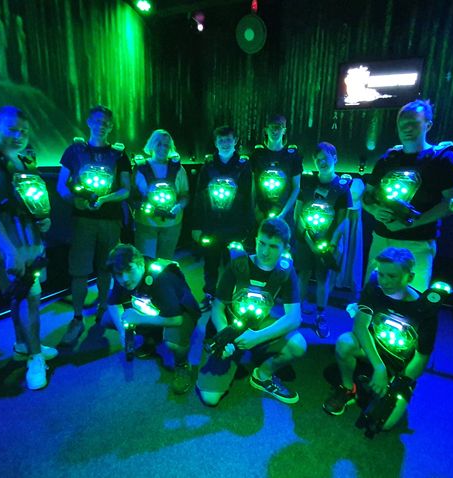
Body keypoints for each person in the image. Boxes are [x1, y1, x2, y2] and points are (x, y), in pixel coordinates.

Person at [0, 106, 57, 390]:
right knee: (28, 298)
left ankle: (23, 344)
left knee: (23, 297)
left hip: (31, 241)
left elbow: (34, 200)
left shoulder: (24, 161)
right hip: (11, 245)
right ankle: (35, 357)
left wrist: (44, 220)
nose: (19, 136)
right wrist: (9, 250)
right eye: (12, 130)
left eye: (24, 131)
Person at [322, 248, 438, 430]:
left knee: (383, 424)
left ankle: (389, 384)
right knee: (345, 342)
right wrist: (379, 367)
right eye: (381, 274)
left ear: (410, 277)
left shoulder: (424, 309)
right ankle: (348, 388)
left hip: (400, 365)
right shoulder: (374, 287)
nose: (385, 281)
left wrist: (402, 382)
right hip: (375, 350)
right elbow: (360, 326)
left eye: (392, 276)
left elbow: (422, 356)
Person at [196, 217, 306, 406]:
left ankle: (262, 375)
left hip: (257, 325)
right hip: (229, 325)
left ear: (285, 248)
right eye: (262, 243)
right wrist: (224, 336)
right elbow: (217, 308)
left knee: (297, 345)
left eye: (273, 246)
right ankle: (234, 356)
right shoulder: (238, 264)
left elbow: (294, 318)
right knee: (210, 398)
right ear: (255, 240)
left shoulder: (285, 271)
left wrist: (257, 337)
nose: (265, 252)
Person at [361, 99, 453, 292]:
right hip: (382, 239)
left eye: (413, 123)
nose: (407, 128)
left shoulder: (443, 158)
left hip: (418, 243)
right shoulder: (388, 158)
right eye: (402, 124)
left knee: (412, 299)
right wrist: (374, 210)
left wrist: (412, 222)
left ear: (428, 125)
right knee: (373, 296)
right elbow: (367, 196)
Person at [56, 105, 131, 347]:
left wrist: (105, 200)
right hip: (83, 220)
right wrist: (78, 202)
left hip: (110, 220)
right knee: (79, 270)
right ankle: (77, 318)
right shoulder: (74, 151)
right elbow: (61, 186)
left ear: (111, 127)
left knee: (106, 268)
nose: (101, 126)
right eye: (98, 121)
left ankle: (103, 308)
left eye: (106, 123)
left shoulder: (120, 155)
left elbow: (125, 189)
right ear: (89, 122)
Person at [104, 244, 201, 394]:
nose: (125, 278)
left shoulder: (161, 277)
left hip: (180, 312)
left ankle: (182, 365)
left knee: (173, 343)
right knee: (108, 319)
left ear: (140, 263)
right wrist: (123, 331)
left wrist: (139, 319)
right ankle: (152, 337)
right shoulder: (122, 272)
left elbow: (176, 319)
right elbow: (113, 304)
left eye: (130, 270)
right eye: (119, 274)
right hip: (154, 307)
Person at [190, 125, 254, 311]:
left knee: (232, 263)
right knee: (210, 262)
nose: (225, 143)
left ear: (235, 141)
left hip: (235, 226)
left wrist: (248, 228)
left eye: (228, 140)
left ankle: (228, 298)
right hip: (211, 225)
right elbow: (198, 196)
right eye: (221, 140)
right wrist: (196, 225)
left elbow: (248, 198)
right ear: (215, 143)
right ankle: (209, 295)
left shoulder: (244, 166)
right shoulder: (208, 166)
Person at [292, 142, 351, 339]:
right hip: (305, 241)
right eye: (318, 160)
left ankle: (320, 315)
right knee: (302, 275)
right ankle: (296, 314)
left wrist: (332, 244)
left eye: (325, 158)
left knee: (322, 278)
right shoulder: (307, 182)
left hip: (327, 244)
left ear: (335, 158)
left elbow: (342, 221)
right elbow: (298, 215)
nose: (322, 162)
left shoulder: (342, 188)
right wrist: (310, 242)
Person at [132, 129, 189, 260]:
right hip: (146, 224)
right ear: (152, 145)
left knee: (165, 262)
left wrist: (179, 206)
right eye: (159, 144)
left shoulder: (179, 169)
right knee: (146, 261)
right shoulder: (140, 168)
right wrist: (141, 206)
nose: (163, 148)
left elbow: (185, 194)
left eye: (166, 145)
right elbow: (131, 194)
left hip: (172, 224)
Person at [250, 114, 303, 227]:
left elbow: (296, 188)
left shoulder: (293, 156)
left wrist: (283, 214)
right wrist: (255, 210)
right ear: (266, 130)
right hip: (261, 213)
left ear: (284, 131)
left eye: (278, 127)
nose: (275, 130)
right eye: (272, 127)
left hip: (284, 214)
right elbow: (253, 187)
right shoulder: (257, 155)